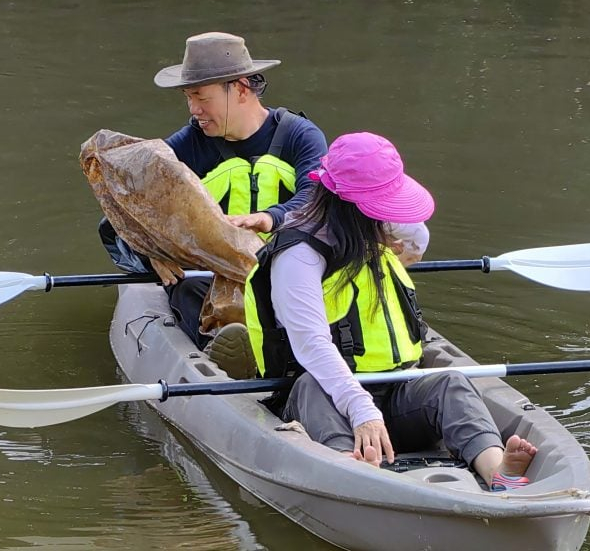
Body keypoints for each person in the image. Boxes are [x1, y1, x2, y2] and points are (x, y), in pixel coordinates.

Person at [242, 132, 536, 491]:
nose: (389, 216)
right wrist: (362, 411)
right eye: (383, 204)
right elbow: (311, 345)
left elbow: (416, 235)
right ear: (353, 205)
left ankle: (497, 470)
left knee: (450, 383)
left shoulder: (367, 235)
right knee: (310, 387)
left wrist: (402, 240)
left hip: (393, 388)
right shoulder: (298, 255)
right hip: (325, 395)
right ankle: (350, 470)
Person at [98, 32, 328, 350]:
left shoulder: (300, 136)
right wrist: (150, 250)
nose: (194, 109)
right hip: (215, 275)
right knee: (186, 289)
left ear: (241, 89)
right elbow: (129, 200)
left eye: (202, 97)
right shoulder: (189, 143)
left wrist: (268, 218)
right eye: (188, 97)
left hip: (288, 264)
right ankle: (226, 350)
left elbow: (316, 197)